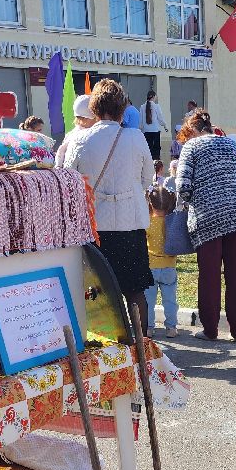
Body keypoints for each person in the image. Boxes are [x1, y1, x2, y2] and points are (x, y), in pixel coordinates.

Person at [57, 80, 153, 328]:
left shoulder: (80, 140)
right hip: (130, 225)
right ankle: (142, 347)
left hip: (95, 227)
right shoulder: (136, 137)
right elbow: (147, 179)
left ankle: (105, 346)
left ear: (95, 109)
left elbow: (70, 183)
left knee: (96, 293)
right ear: (122, 109)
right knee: (134, 290)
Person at [173, 107, 236, 342]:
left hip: (208, 217)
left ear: (192, 131)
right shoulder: (231, 144)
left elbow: (183, 187)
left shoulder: (191, 147)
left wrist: (188, 204)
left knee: (209, 277)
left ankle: (210, 330)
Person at [144, 185, 179, 336]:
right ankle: (171, 328)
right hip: (169, 267)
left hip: (151, 266)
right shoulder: (173, 223)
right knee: (170, 300)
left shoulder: (147, 222)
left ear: (150, 203)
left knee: (149, 301)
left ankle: (149, 328)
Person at [140, 90, 168, 159]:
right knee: (156, 149)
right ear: (152, 96)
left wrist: (140, 129)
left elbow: (140, 120)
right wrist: (164, 125)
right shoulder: (156, 106)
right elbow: (160, 118)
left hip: (146, 131)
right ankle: (156, 164)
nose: (156, 98)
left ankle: (148, 162)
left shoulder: (142, 107)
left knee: (148, 148)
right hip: (155, 130)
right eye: (155, 96)